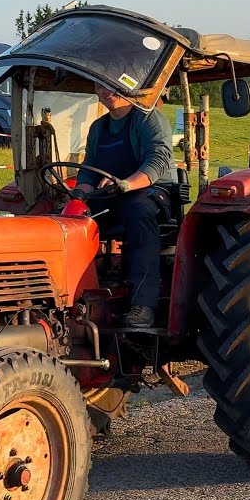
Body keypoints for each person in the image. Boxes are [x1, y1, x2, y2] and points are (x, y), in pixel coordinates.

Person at [71, 81, 175, 328]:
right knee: (71, 221)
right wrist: (78, 197)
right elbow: (89, 169)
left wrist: (127, 184)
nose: (107, 91)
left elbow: (158, 160)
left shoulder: (147, 118)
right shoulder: (99, 127)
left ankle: (144, 305)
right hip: (113, 194)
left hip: (151, 192)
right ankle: (74, 296)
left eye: (114, 86)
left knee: (139, 213)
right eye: (100, 85)